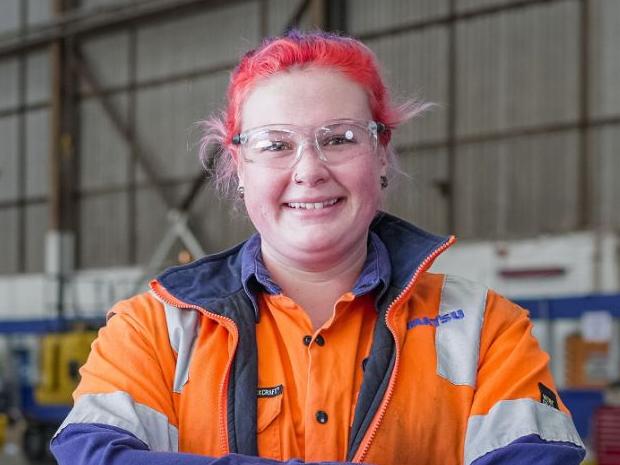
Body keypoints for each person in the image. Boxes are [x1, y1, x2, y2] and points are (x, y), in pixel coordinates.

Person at [51, 30, 585, 465]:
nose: (308, 170)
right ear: (239, 168)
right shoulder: (154, 329)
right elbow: (94, 454)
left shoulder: (484, 328)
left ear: (380, 153)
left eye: (338, 138)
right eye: (275, 145)